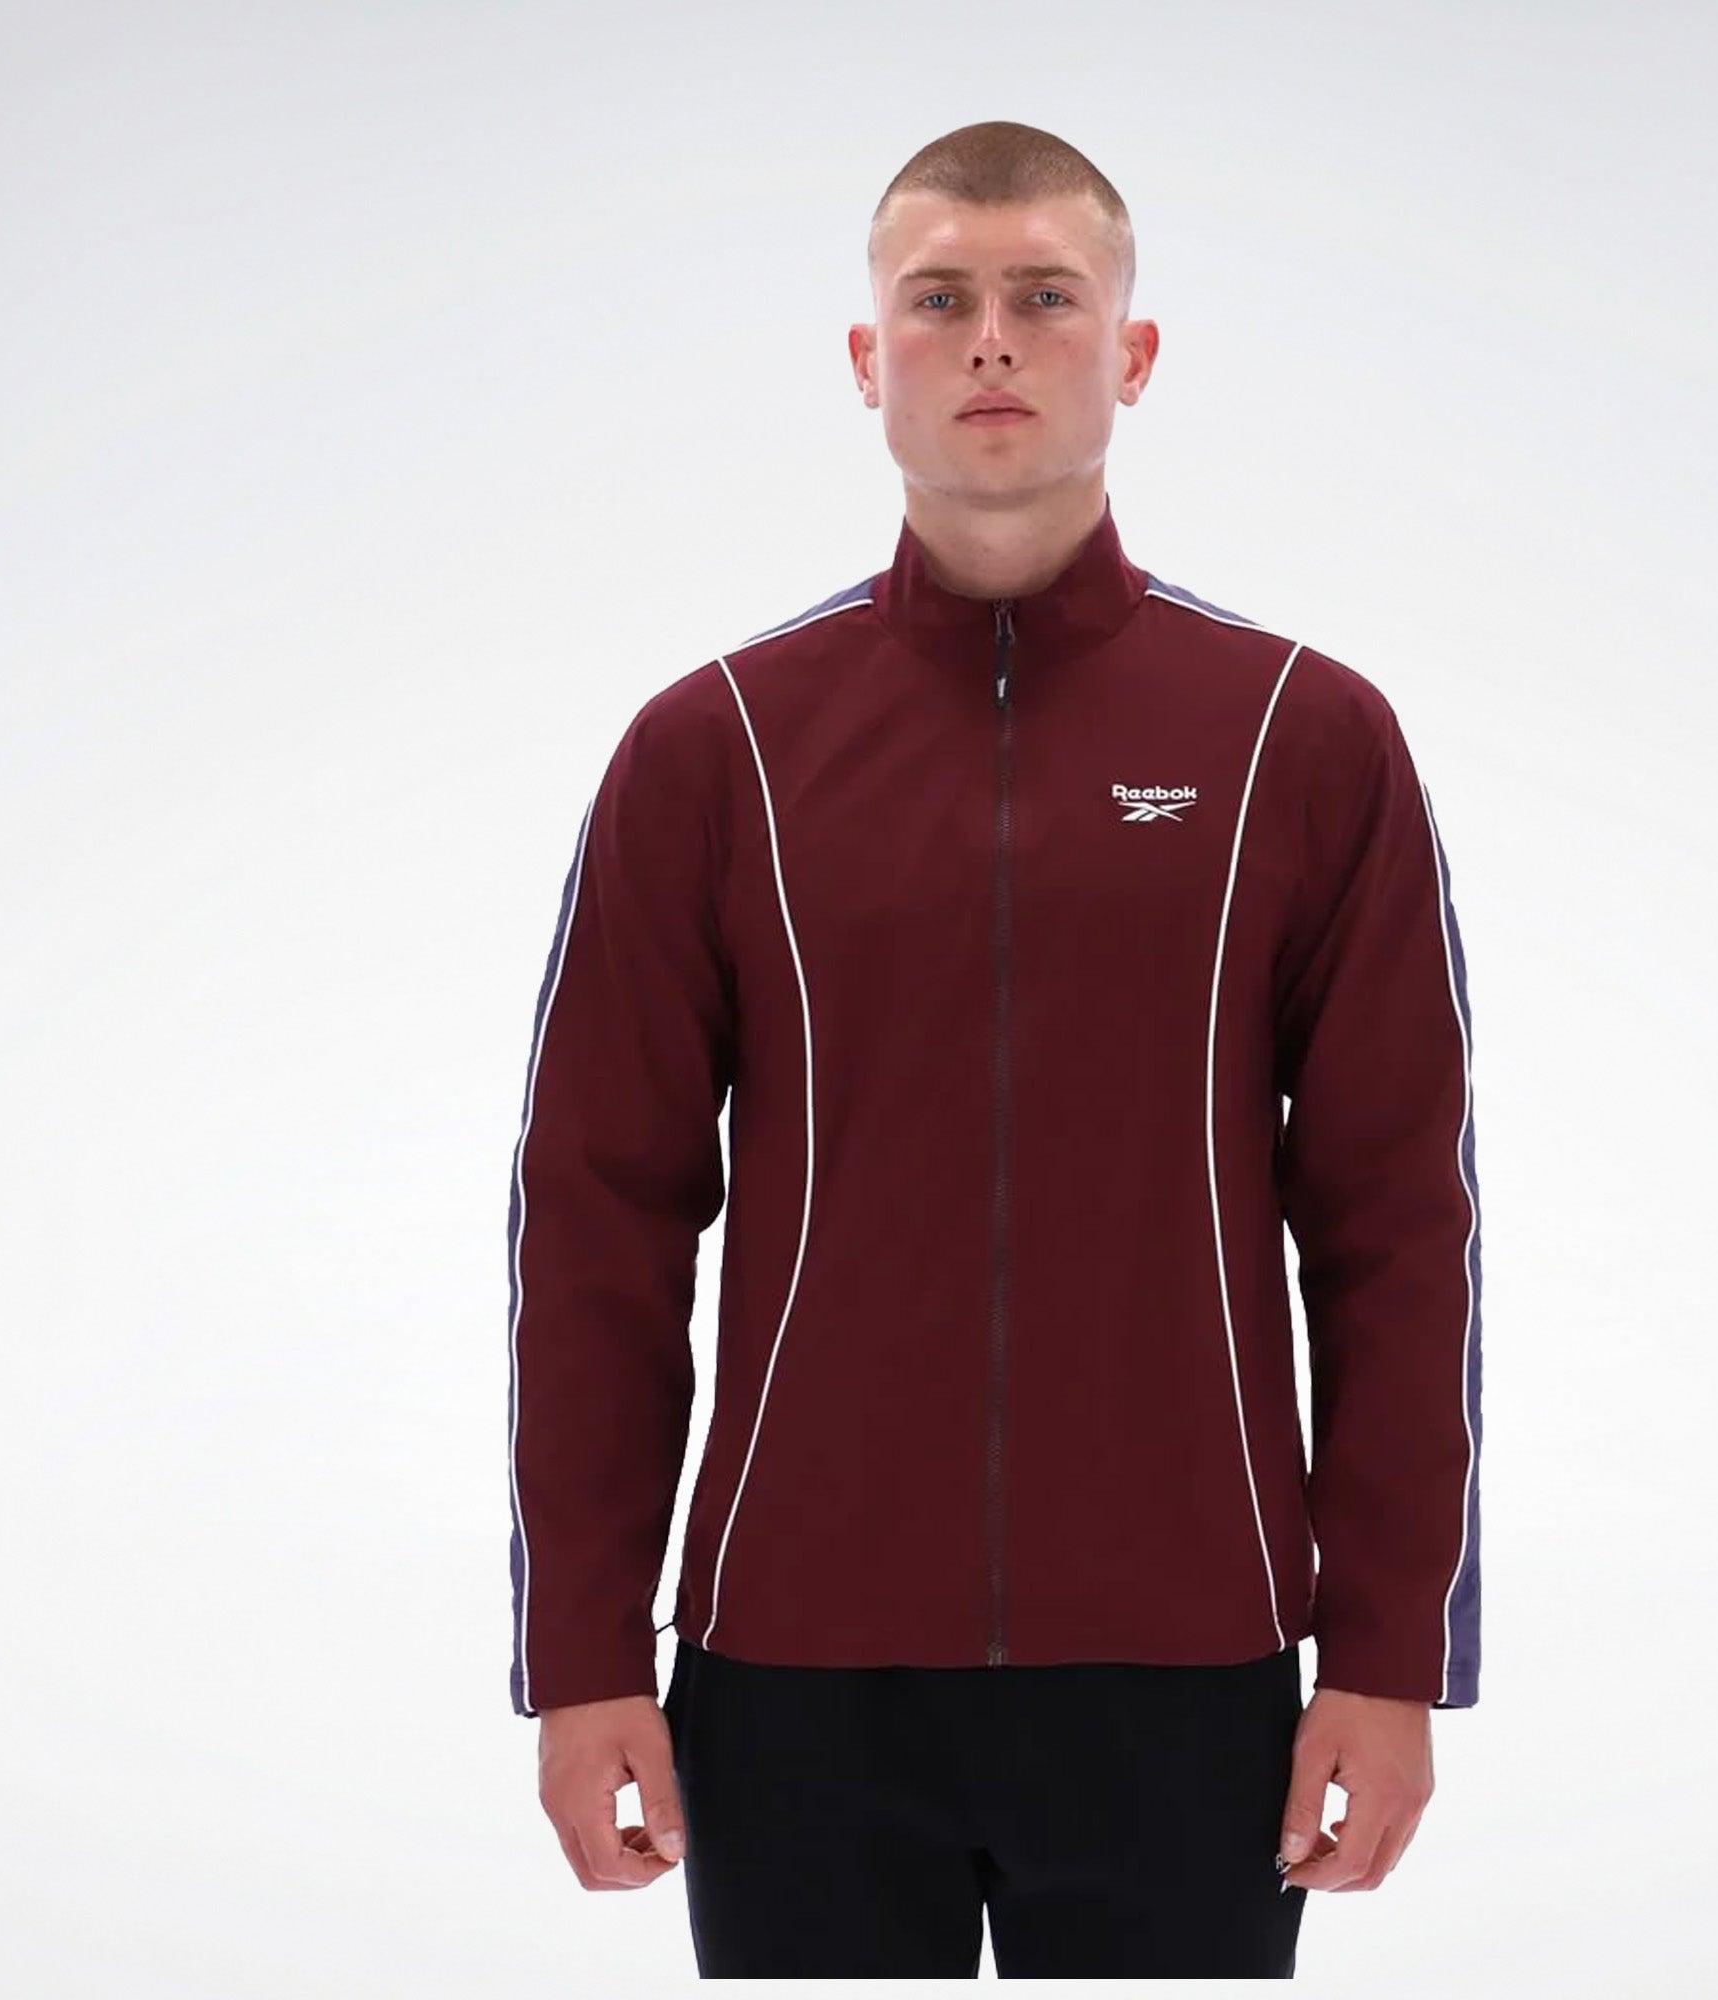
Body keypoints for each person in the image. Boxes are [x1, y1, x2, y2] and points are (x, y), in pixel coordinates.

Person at [504, 119, 1484, 1978]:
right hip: (789, 1671)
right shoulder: (716, 750)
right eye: (939, 299)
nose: (993, 341)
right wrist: (579, 1655)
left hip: (1191, 1669)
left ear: (1135, 352)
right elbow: (596, 1224)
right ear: (866, 356)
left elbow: (1396, 1230)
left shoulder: (1301, 738)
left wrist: (1387, 1656)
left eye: (1047, 296)